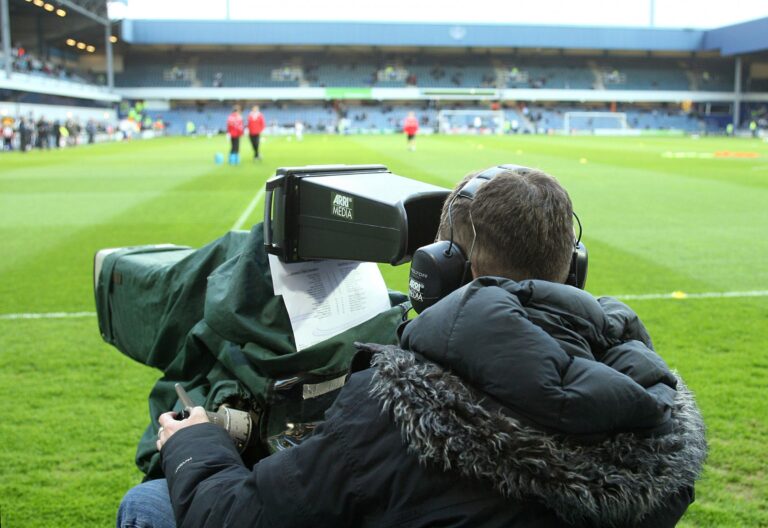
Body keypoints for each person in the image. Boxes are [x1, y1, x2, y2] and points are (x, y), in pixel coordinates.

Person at [117, 166, 707, 528]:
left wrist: (195, 444)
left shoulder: (397, 406)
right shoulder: (647, 397)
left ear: (441, 272)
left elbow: (241, 517)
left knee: (150, 505)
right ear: (571, 270)